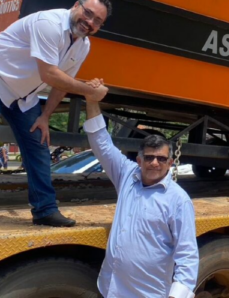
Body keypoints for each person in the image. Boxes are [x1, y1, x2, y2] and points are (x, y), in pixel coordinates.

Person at [0, 0, 111, 236]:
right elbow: (49, 75)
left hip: (21, 95)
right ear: (76, 5)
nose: (89, 22)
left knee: (39, 144)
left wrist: (45, 117)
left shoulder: (83, 45)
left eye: (97, 21)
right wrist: (90, 91)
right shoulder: (48, 24)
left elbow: (62, 84)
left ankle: (45, 210)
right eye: (88, 13)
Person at [83, 80, 198, 298]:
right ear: (139, 160)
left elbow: (187, 253)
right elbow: (101, 143)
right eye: (149, 157)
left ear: (170, 163)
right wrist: (91, 101)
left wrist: (176, 295)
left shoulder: (178, 200)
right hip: (109, 288)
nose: (154, 163)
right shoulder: (127, 176)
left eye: (161, 159)